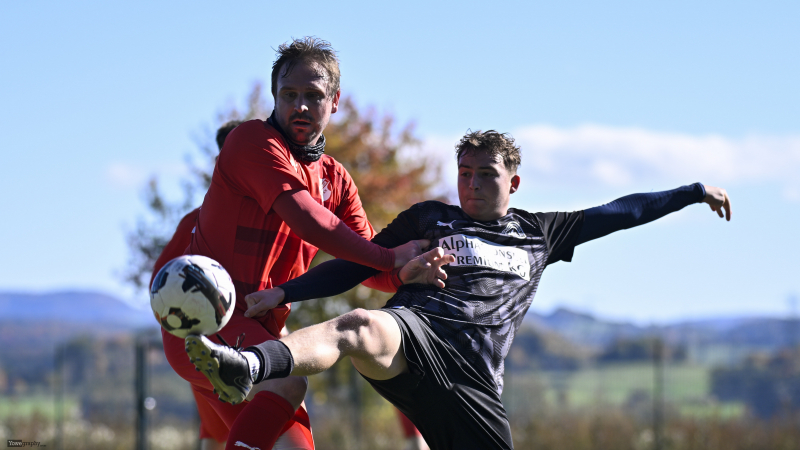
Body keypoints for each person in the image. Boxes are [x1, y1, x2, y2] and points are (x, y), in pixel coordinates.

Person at [186, 129, 732, 449]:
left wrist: (691, 191)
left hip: (473, 382)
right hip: (412, 338)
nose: (470, 184)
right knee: (361, 324)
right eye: (464, 173)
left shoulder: (542, 232)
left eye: (485, 175)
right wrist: (285, 294)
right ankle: (250, 366)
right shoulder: (430, 218)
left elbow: (621, 212)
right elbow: (356, 262)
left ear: (512, 182)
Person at [160, 37, 427, 450]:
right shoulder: (252, 141)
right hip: (207, 327)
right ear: (274, 96)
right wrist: (391, 256)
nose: (299, 105)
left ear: (335, 101)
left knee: (295, 444)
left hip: (258, 336)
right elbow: (309, 219)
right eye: (289, 95)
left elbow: (368, 262)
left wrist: (407, 272)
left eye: (312, 95)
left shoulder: (336, 179)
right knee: (288, 382)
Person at [150, 120, 241, 450]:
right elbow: (161, 281)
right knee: (235, 430)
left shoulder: (278, 215)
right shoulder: (197, 221)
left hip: (252, 340)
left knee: (228, 433)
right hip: (205, 342)